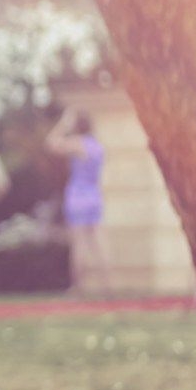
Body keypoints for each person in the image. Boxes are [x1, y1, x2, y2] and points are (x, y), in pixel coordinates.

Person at [46, 108, 112, 295]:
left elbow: (51, 143)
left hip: (77, 197)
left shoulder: (78, 144)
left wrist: (63, 124)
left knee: (80, 244)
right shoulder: (98, 147)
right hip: (95, 196)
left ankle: (78, 288)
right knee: (99, 242)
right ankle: (107, 286)